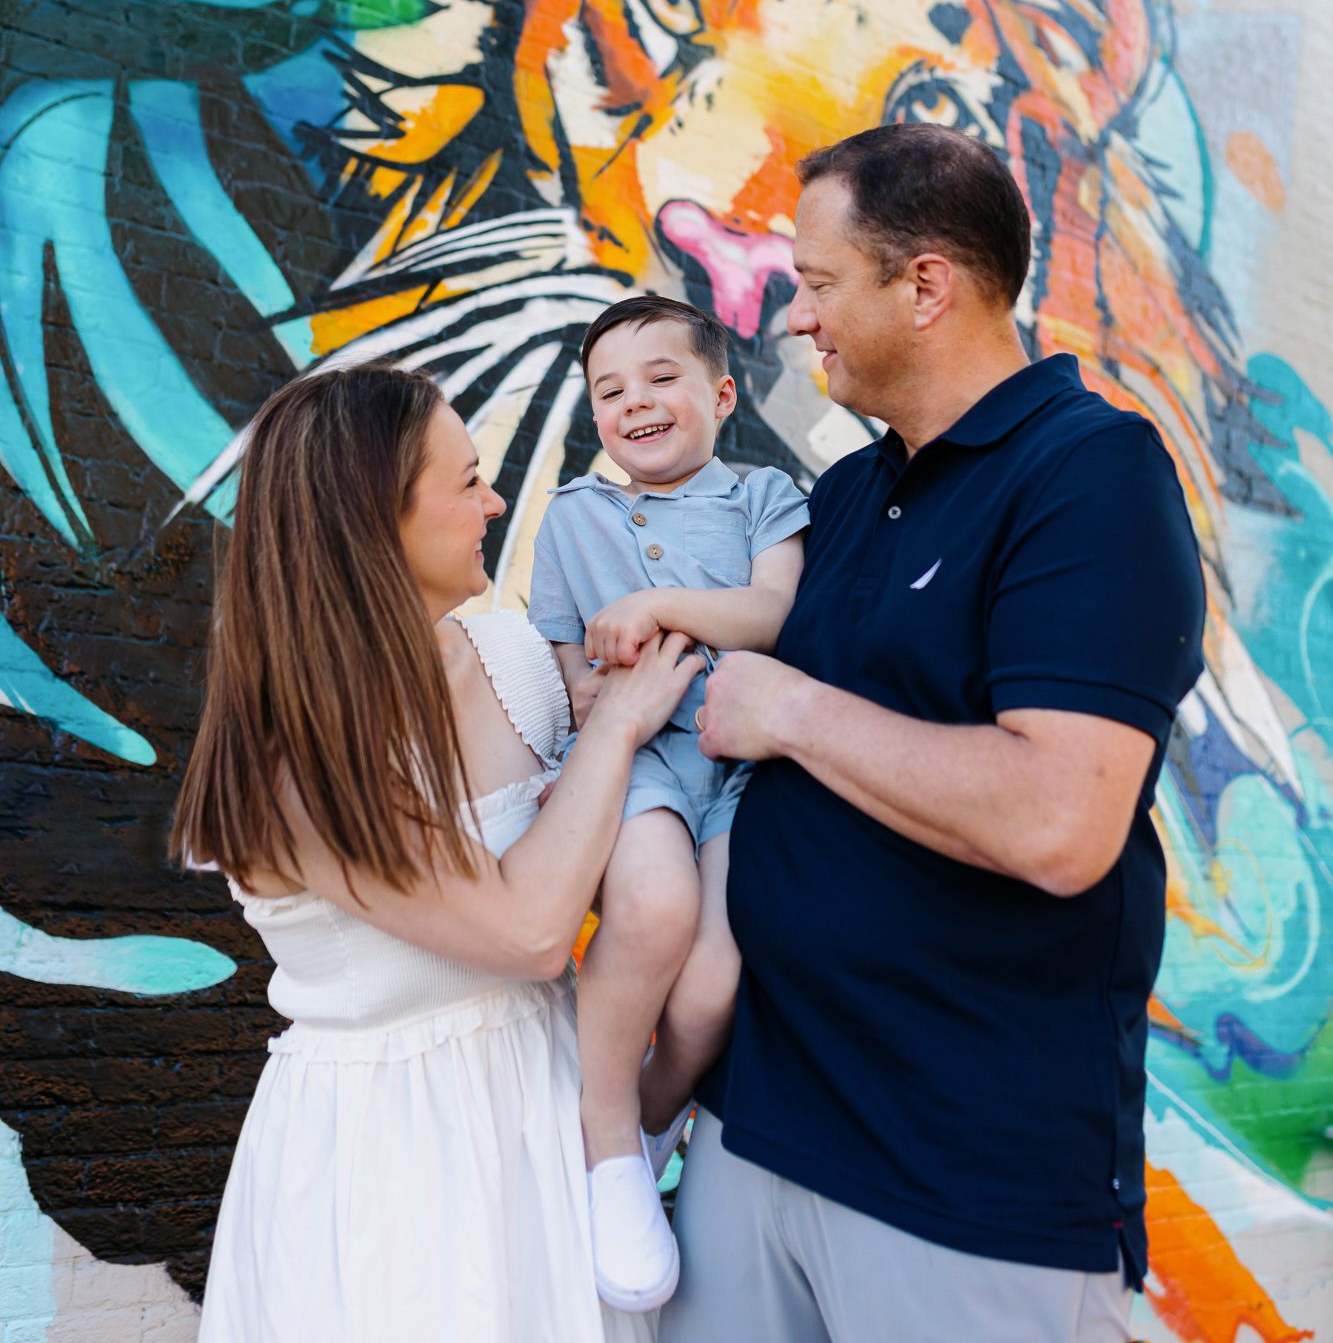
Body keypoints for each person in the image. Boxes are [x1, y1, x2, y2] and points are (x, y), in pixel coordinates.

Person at [662, 122, 1207, 1343]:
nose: (792, 317)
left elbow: (1063, 820)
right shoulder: (851, 489)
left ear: (924, 286)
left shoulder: (1091, 474)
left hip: (962, 1175)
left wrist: (789, 708)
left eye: (815, 283)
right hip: (755, 1125)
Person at [172, 363, 702, 1343]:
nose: (495, 500)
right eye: (466, 482)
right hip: (395, 1156)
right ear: (376, 520)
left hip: (545, 1112)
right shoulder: (299, 766)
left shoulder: (509, 657)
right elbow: (533, 929)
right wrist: (620, 725)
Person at [528, 295, 809, 1312]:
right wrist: (584, 704)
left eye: (660, 377)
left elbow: (774, 613)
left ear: (720, 393)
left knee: (709, 985)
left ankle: (645, 1122)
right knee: (650, 910)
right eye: (609, 389)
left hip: (738, 765)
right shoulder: (573, 514)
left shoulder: (763, 495)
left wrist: (658, 606)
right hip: (637, 755)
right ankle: (608, 1140)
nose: (634, 401)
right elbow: (558, 648)